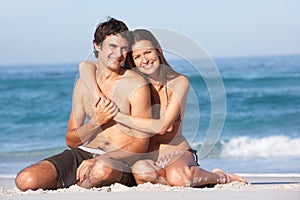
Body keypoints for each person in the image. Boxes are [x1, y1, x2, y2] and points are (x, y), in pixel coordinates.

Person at [79, 29, 247, 187]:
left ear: (158, 50)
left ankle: (220, 176)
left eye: (148, 52)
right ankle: (172, 178)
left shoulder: (179, 82)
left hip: (176, 152)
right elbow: (85, 66)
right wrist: (96, 93)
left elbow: (163, 126)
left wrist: (114, 115)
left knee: (179, 178)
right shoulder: (136, 84)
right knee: (142, 173)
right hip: (146, 158)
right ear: (133, 61)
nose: (144, 60)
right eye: (137, 57)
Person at [15, 18, 152, 191]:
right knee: (26, 180)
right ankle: (79, 183)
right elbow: (71, 140)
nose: (119, 54)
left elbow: (141, 143)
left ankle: (77, 190)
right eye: (112, 46)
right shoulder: (83, 84)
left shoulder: (136, 84)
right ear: (97, 46)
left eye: (124, 48)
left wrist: (98, 159)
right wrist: (96, 121)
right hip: (84, 153)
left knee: (101, 171)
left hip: (120, 159)